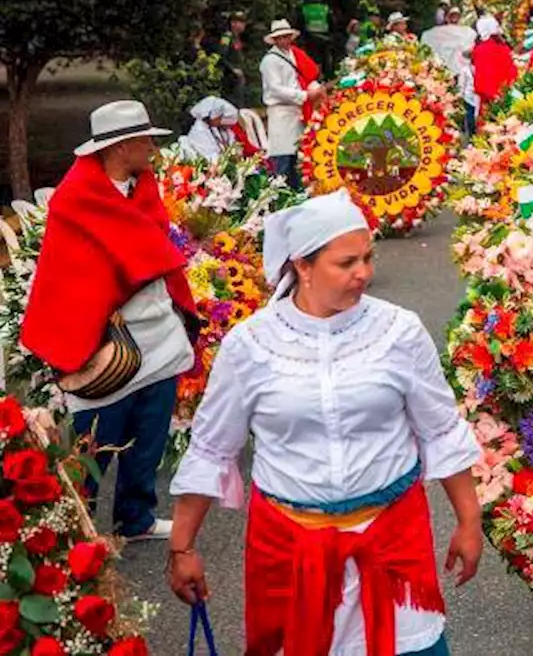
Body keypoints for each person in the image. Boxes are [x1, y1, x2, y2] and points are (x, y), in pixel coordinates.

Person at [167, 190, 483, 656]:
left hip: (391, 539)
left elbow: (439, 430)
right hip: (290, 549)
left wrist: (468, 520)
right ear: (303, 266)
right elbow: (213, 448)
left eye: (368, 258)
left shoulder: (398, 331)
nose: (365, 274)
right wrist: (182, 547)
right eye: (347, 262)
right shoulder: (251, 345)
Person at [22, 100, 197, 542]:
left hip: (157, 335)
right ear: (120, 148)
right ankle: (76, 528)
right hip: (104, 342)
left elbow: (151, 251)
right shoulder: (77, 197)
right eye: (145, 141)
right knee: (94, 444)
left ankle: (135, 519)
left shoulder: (144, 185)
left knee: (149, 439)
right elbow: (74, 276)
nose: (153, 149)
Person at [260, 19, 324, 189]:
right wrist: (304, 95)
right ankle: (278, 193)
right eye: (281, 38)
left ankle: (295, 190)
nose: (285, 41)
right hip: (280, 111)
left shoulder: (292, 55)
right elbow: (275, 89)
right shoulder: (270, 61)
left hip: (295, 110)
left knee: (296, 155)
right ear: (275, 40)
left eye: (287, 37)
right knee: (282, 155)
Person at [470, 16, 517, 134]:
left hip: (487, 102)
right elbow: (512, 74)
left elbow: (480, 81)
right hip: (506, 99)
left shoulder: (479, 50)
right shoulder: (504, 48)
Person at [180, 96, 255, 161]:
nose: (220, 121)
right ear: (212, 117)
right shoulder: (199, 130)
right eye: (219, 118)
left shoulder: (215, 129)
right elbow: (208, 154)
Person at [215, 11, 248, 107]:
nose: (242, 25)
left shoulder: (237, 38)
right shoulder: (227, 37)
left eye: (243, 22)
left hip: (237, 79)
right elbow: (221, 56)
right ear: (233, 23)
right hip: (229, 78)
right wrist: (233, 69)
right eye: (240, 22)